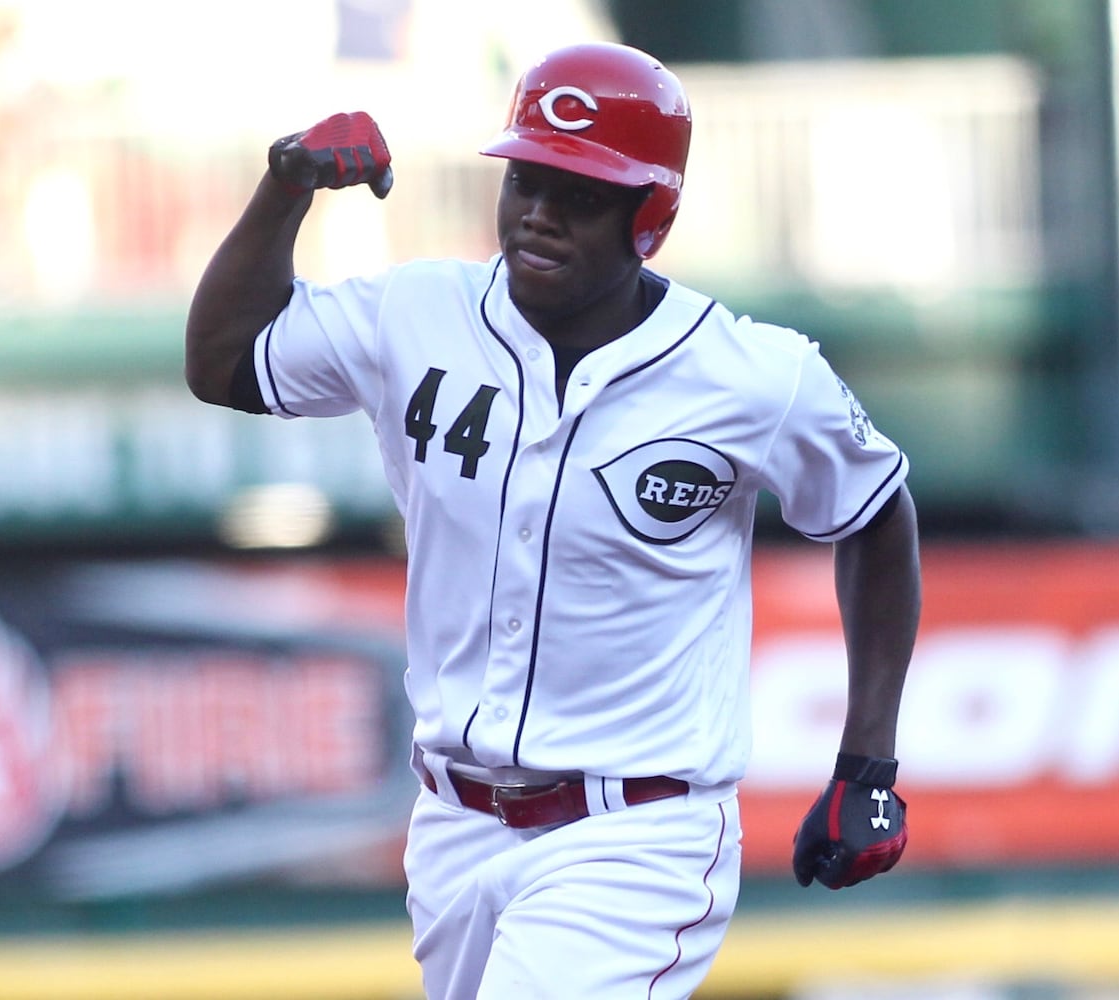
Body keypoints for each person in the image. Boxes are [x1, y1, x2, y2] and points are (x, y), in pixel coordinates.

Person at [181, 41, 922, 999]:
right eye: (526, 180)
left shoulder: (754, 375)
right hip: (453, 823)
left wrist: (866, 763)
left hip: (637, 832)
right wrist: (284, 188)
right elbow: (223, 361)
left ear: (649, 215)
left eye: (579, 194)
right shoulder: (418, 313)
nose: (538, 212)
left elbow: (874, 512)